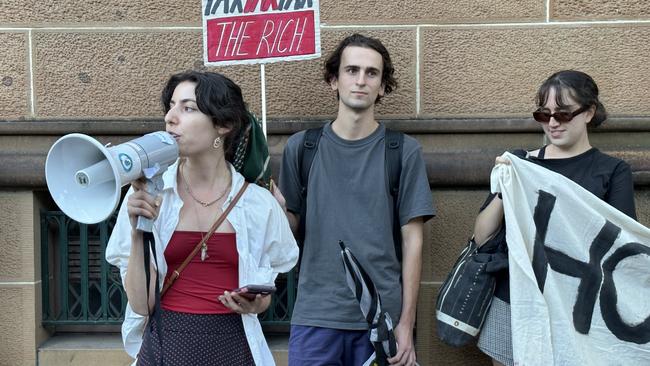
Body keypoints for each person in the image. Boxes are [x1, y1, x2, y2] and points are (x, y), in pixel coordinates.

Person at [105, 70, 298, 365]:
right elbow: (142, 305)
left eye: (188, 108)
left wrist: (256, 303)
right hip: (166, 346)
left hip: (233, 347)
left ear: (223, 124)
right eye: (171, 105)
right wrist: (137, 232)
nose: (171, 117)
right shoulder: (149, 196)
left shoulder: (258, 205)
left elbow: (265, 293)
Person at [277, 33, 435, 366]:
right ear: (334, 80)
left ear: (382, 85)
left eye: (371, 73)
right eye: (351, 70)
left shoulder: (403, 152)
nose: (361, 80)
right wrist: (275, 212)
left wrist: (406, 324)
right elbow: (290, 229)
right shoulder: (301, 148)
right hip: (315, 315)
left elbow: (413, 243)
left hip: (381, 319)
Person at [473, 70, 637, 366]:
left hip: (580, 309)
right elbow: (482, 236)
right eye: (543, 114)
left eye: (563, 114)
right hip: (517, 300)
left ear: (589, 113)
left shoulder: (612, 171)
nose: (552, 123)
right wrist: (504, 185)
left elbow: (622, 253)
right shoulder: (522, 163)